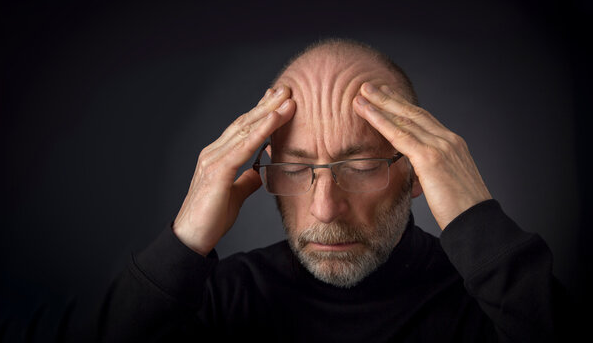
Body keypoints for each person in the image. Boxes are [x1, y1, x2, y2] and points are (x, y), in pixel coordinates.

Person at [95, 39, 571, 342]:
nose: (325, 209)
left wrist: (477, 221)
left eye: (361, 167)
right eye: (298, 170)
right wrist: (183, 242)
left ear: (418, 175)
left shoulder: (488, 305)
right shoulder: (222, 299)